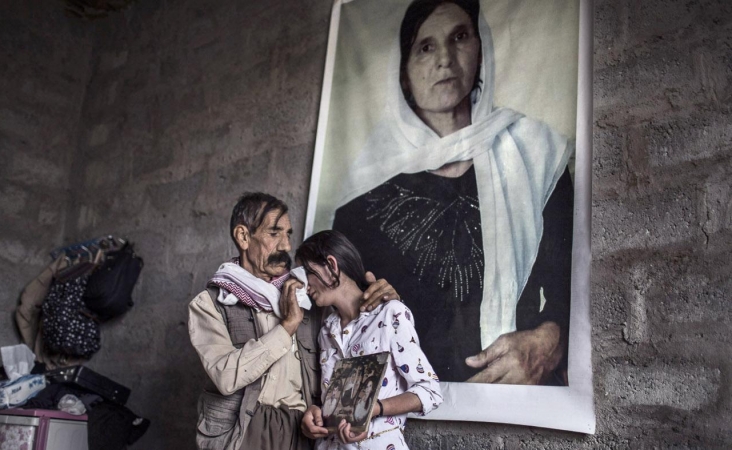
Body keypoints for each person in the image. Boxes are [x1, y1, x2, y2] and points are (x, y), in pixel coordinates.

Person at [333, 0, 574, 384]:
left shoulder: (535, 156)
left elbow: (570, 286)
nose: (444, 59)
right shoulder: (361, 200)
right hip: (404, 416)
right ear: (403, 73)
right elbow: (346, 329)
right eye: (425, 47)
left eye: (459, 36)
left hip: (519, 407)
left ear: (481, 49)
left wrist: (549, 341)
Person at [188, 193, 399, 450]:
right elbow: (225, 377)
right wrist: (287, 326)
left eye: (288, 234)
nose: (286, 246)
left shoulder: (308, 294)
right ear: (243, 236)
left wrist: (385, 296)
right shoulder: (209, 304)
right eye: (274, 233)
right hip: (241, 433)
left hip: (302, 433)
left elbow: (355, 318)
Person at [299, 230, 442, 449]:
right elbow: (334, 404)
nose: (305, 286)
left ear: (331, 266)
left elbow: (430, 391)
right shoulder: (326, 331)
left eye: (307, 272)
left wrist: (375, 408)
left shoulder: (391, 314)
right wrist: (316, 414)